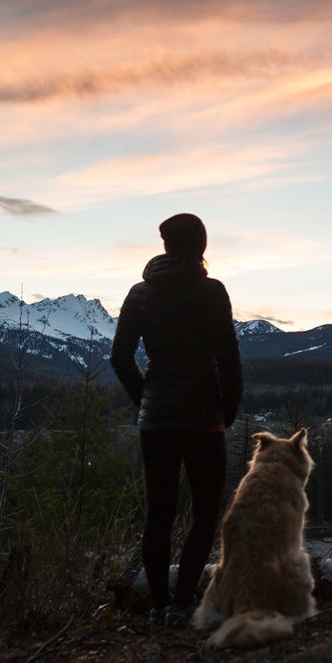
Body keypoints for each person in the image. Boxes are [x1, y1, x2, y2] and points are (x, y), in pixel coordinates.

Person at [110, 213, 243, 627]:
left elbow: (120, 358)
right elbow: (229, 358)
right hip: (203, 419)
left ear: (166, 246)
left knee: (159, 515)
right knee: (205, 515)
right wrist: (228, 409)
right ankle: (183, 604)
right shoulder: (211, 292)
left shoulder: (138, 294)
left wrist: (145, 400)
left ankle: (156, 605)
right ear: (200, 247)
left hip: (156, 424)